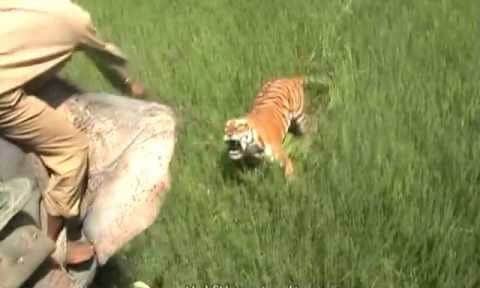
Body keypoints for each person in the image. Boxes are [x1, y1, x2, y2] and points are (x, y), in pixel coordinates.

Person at [0, 0, 146, 265]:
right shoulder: (77, 21)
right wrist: (134, 88)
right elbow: (108, 61)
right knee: (72, 150)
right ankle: (49, 249)